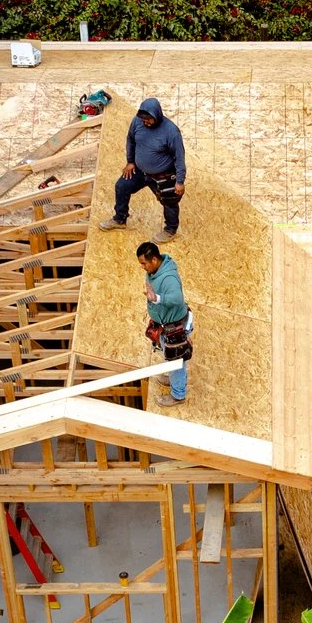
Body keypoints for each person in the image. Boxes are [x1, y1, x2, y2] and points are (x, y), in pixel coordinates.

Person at [113, 97, 186, 235]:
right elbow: (130, 139)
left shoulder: (171, 132)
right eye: (143, 119)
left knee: (169, 201)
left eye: (148, 119)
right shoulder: (137, 122)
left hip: (163, 174)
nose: (145, 122)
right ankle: (120, 219)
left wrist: (180, 181)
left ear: (156, 115)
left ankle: (170, 230)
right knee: (121, 186)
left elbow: (179, 157)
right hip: (140, 171)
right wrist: (130, 161)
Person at [136, 242, 191, 404]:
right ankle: (175, 380)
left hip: (175, 329)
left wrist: (157, 299)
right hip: (166, 326)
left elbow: (177, 299)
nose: (142, 267)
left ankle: (178, 395)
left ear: (154, 260)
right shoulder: (155, 271)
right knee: (172, 360)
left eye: (144, 263)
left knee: (176, 363)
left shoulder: (168, 278)